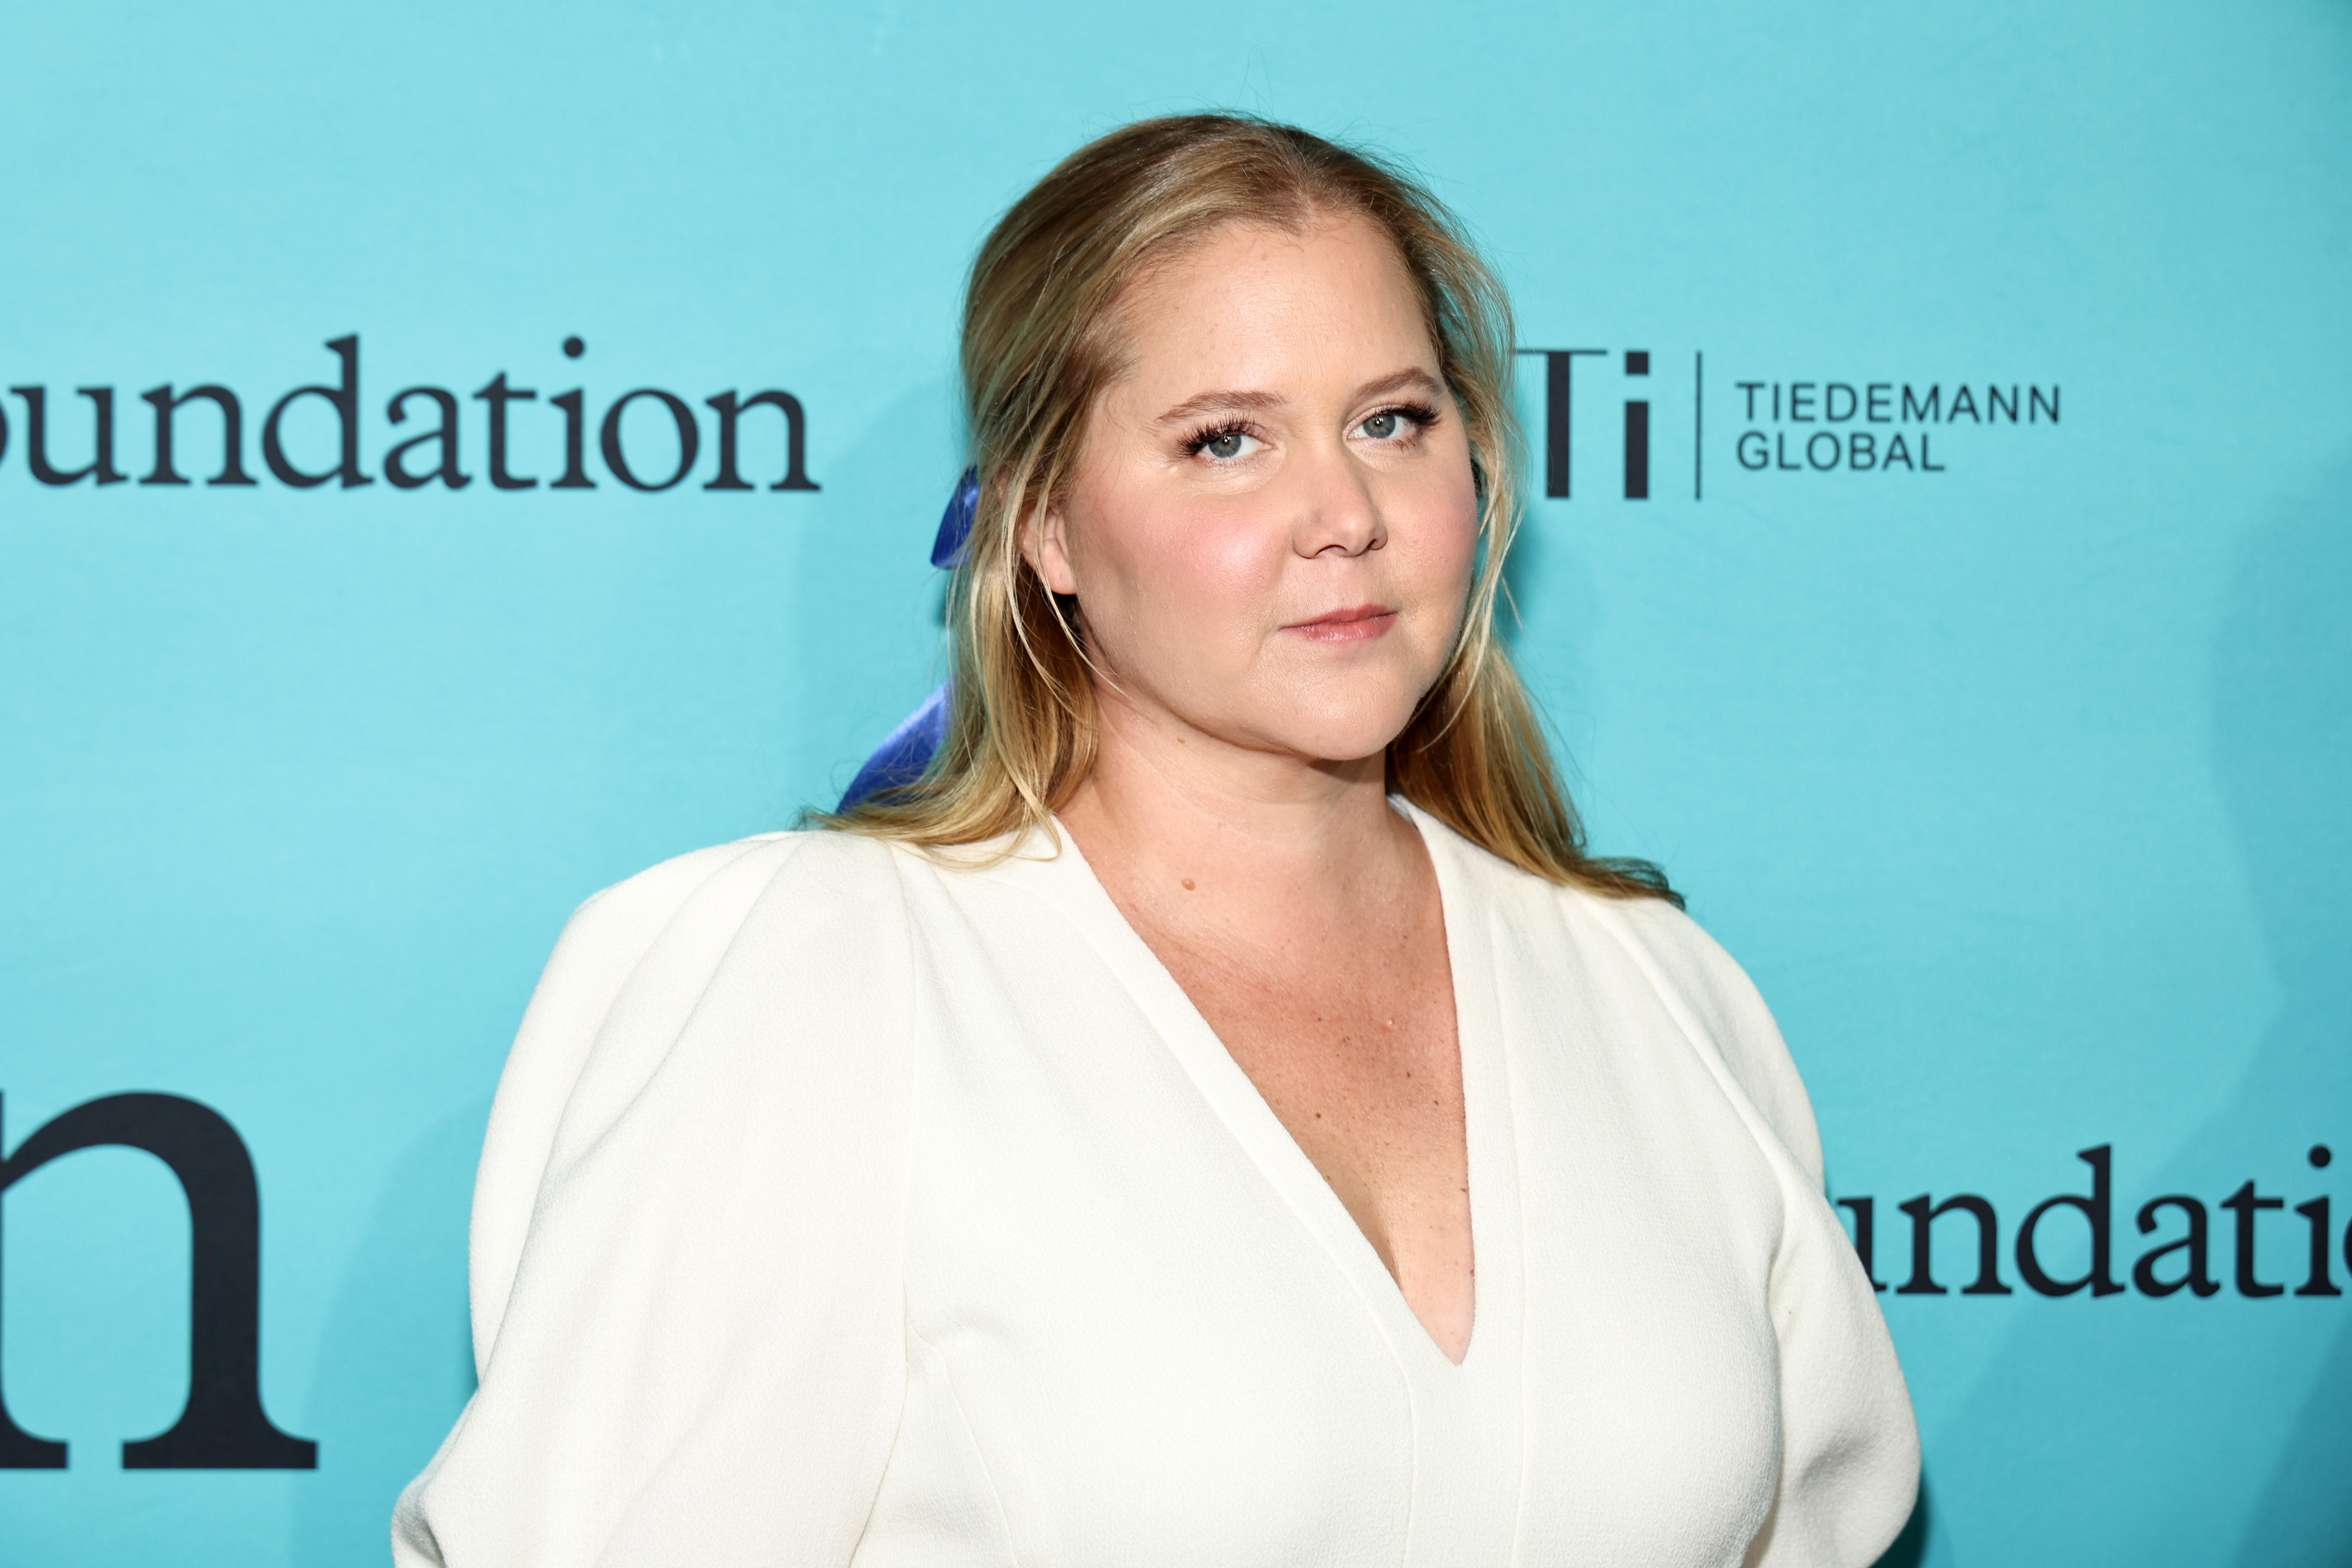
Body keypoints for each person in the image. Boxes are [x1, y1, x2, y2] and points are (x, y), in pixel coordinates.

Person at [394, 114, 1917, 1567]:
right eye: (1224, 443)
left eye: (1394, 420)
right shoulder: (820, 974)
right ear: (1045, 526)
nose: (1346, 514)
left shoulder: (1658, 994)